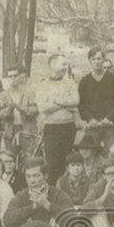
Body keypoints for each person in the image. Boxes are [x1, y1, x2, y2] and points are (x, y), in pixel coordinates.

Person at [37, 53, 82, 185]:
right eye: (63, 64)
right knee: (52, 163)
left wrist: (55, 100)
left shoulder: (70, 83)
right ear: (52, 65)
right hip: (51, 128)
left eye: (66, 64)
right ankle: (53, 192)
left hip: (68, 127)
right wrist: (65, 103)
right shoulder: (43, 85)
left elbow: (75, 101)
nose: (65, 67)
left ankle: (66, 193)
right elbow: (42, 108)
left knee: (67, 162)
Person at [2, 157, 74, 227]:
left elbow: (72, 220)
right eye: (28, 176)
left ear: (46, 175)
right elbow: (7, 220)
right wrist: (33, 207)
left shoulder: (59, 194)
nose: (32, 180)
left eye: (36, 176)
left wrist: (47, 205)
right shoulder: (22, 195)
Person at [78, 46, 114, 148]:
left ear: (103, 60)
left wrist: (109, 118)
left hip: (109, 124)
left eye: (99, 58)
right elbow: (81, 105)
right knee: (90, 151)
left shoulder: (113, 79)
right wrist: (90, 119)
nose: (96, 62)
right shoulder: (84, 81)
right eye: (93, 59)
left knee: (112, 153)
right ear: (90, 61)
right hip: (93, 125)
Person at [0, 64, 38, 146]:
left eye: (15, 75)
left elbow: (35, 110)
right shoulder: (2, 95)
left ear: (20, 77)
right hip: (10, 131)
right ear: (7, 78)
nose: (13, 78)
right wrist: (9, 110)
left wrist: (22, 108)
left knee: (29, 157)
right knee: (9, 157)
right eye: (10, 76)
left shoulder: (29, 93)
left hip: (27, 130)